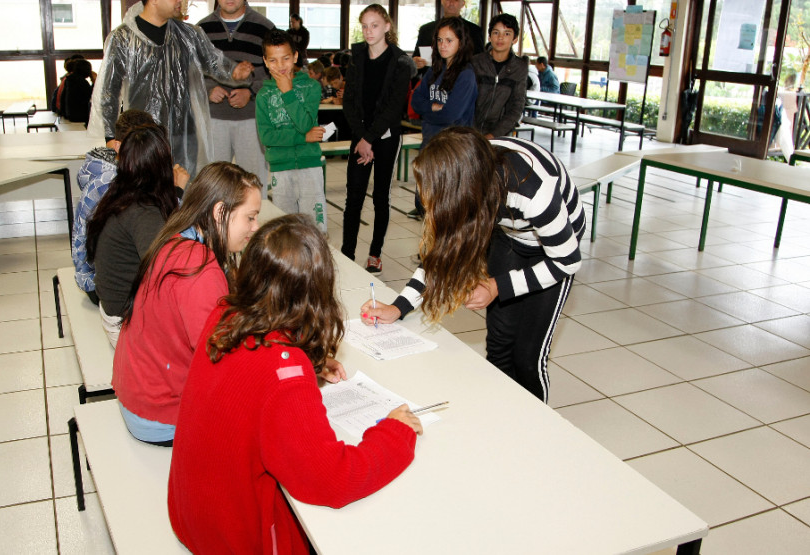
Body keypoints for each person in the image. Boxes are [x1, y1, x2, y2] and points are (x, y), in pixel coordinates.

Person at [168, 214, 422, 553]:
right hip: (235, 538)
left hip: (194, 513)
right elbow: (332, 480)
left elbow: (252, 377)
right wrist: (394, 432)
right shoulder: (283, 370)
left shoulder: (225, 314)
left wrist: (308, 359)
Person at [361, 127, 585, 404]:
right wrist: (398, 307)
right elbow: (440, 256)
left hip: (555, 248)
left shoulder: (533, 190)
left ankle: (536, 421)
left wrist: (497, 286)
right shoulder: (460, 185)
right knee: (499, 344)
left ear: (461, 189)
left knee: (528, 356)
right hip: (508, 232)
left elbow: (567, 260)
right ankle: (503, 409)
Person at [113, 162, 262, 445]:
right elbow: (221, 357)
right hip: (161, 416)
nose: (255, 227)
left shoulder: (178, 235)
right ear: (220, 212)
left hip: (139, 396)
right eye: (250, 217)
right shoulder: (199, 269)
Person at [88, 0, 254, 178]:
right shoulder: (123, 38)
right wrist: (111, 137)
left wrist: (235, 73)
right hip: (142, 137)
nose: (181, 1)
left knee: (183, 189)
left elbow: (214, 62)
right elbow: (109, 92)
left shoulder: (189, 34)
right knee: (147, 189)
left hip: (184, 136)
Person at [86, 124, 188, 347]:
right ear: (161, 166)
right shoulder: (144, 212)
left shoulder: (121, 194)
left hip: (115, 309)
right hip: (126, 325)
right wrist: (177, 192)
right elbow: (165, 268)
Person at [341, 4, 416, 275]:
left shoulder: (400, 61)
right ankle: (347, 253)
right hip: (361, 136)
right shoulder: (356, 57)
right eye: (364, 26)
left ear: (386, 26)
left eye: (374, 25)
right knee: (354, 196)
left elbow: (394, 108)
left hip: (385, 137)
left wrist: (369, 139)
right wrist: (362, 138)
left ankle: (375, 253)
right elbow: (348, 101)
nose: (368, 31)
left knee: (380, 196)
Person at [71, 109, 155, 304]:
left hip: (111, 273)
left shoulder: (127, 174)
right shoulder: (109, 183)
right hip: (102, 282)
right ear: (117, 146)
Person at [198, 0, 274, 192]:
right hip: (213, 120)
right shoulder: (201, 30)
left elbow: (275, 72)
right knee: (213, 186)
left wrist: (251, 91)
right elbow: (191, 71)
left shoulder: (265, 28)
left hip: (252, 120)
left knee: (254, 185)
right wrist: (208, 89)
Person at [256, 29, 327, 232]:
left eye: (285, 58)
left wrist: (287, 91)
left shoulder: (311, 87)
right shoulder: (263, 95)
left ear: (295, 56)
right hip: (280, 168)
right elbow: (267, 137)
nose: (280, 66)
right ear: (265, 61)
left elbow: (305, 124)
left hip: (310, 165)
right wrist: (304, 137)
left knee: (315, 228)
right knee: (285, 230)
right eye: (273, 60)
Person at [409, 17, 477, 219]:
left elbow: (451, 115)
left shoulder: (466, 75)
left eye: (449, 40)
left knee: (445, 208)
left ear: (461, 42)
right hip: (430, 142)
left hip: (452, 148)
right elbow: (415, 101)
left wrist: (429, 112)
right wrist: (432, 107)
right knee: (424, 204)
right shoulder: (434, 70)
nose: (443, 45)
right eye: (439, 40)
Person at [472, 13, 527, 139]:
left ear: (515, 39)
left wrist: (493, 135)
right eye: (496, 33)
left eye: (507, 34)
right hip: (470, 131)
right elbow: (466, 99)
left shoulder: (520, 68)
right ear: (489, 37)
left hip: (500, 135)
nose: (500, 38)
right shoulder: (475, 62)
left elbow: (516, 108)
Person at [412, 0, 484, 76]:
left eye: (456, 0)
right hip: (432, 78)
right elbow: (416, 60)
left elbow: (480, 61)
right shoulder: (426, 30)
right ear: (442, 1)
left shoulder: (474, 31)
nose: (451, 2)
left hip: (463, 77)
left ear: (463, 3)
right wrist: (416, 64)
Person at [60, 58, 94, 124]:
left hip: (70, 114)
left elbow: (62, 98)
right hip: (80, 116)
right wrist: (94, 82)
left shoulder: (69, 80)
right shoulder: (82, 82)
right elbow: (92, 96)